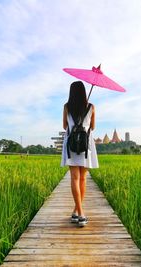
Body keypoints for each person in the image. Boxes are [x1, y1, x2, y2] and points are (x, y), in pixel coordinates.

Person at [61, 81, 99, 227]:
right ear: (84, 92)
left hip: (71, 145)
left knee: (75, 178)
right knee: (83, 179)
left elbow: (65, 126)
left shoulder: (66, 106)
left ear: (71, 92)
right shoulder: (91, 107)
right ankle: (80, 213)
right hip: (86, 144)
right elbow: (93, 127)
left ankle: (78, 211)